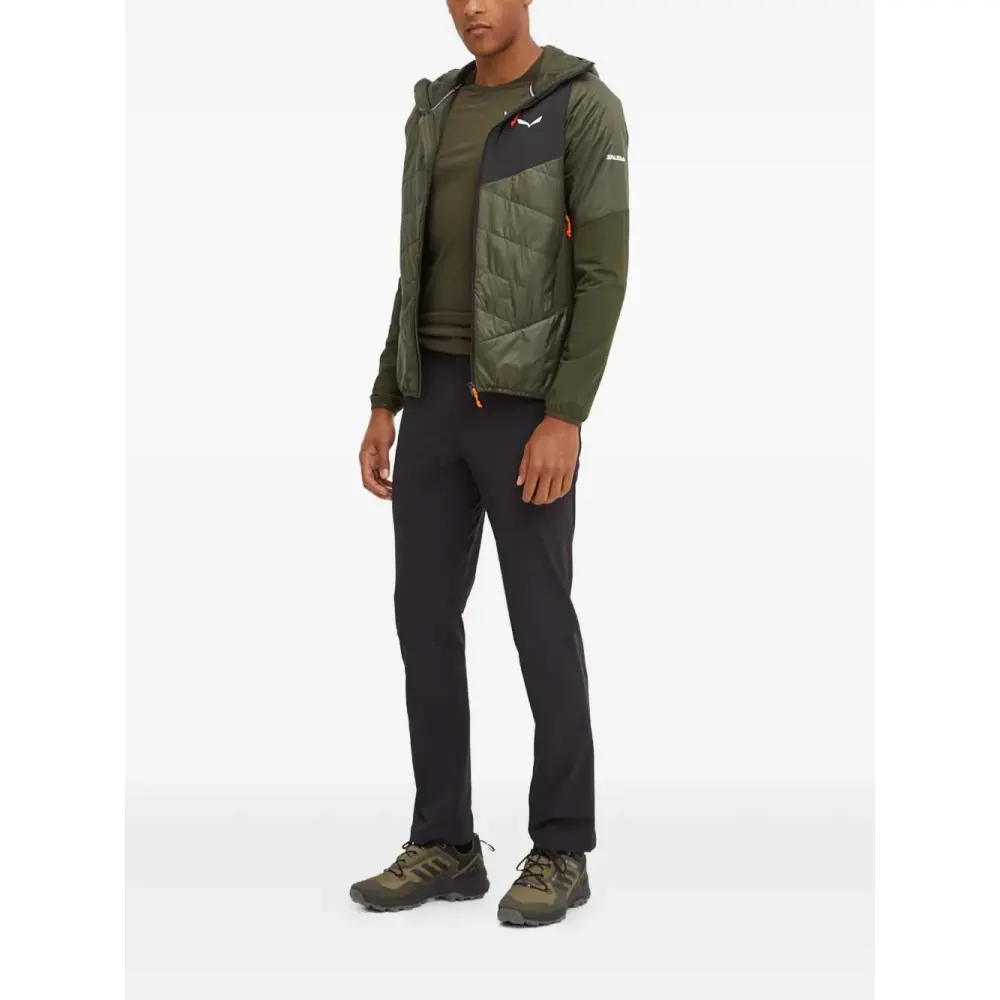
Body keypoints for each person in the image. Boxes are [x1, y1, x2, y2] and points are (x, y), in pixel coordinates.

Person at [352, 0, 628, 927]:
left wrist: (566, 415)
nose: (471, 7)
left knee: (541, 621)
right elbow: (413, 266)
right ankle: (447, 842)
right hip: (431, 397)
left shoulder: (581, 106)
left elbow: (604, 273)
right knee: (423, 620)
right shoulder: (434, 108)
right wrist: (386, 396)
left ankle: (562, 849)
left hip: (522, 408)